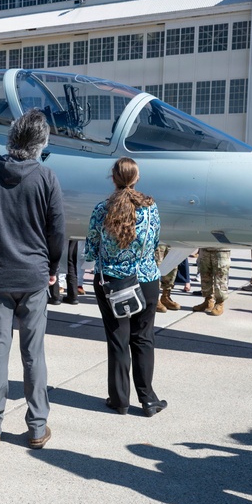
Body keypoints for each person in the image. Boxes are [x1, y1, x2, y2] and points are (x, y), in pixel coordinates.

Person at [0, 108, 64, 450]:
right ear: (40, 144)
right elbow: (56, 230)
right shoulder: (46, 177)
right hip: (34, 276)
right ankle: (37, 426)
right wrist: (53, 266)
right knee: (34, 354)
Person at [85, 158, 167, 417]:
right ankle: (148, 400)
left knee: (118, 341)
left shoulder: (102, 209)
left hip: (114, 282)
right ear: (136, 178)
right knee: (144, 339)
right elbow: (155, 243)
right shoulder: (150, 208)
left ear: (114, 178)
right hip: (147, 279)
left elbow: (90, 249)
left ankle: (119, 400)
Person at [193, 248, 230, 315]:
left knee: (220, 276)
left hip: (221, 248)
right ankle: (208, 301)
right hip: (205, 246)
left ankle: (220, 303)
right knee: (205, 274)